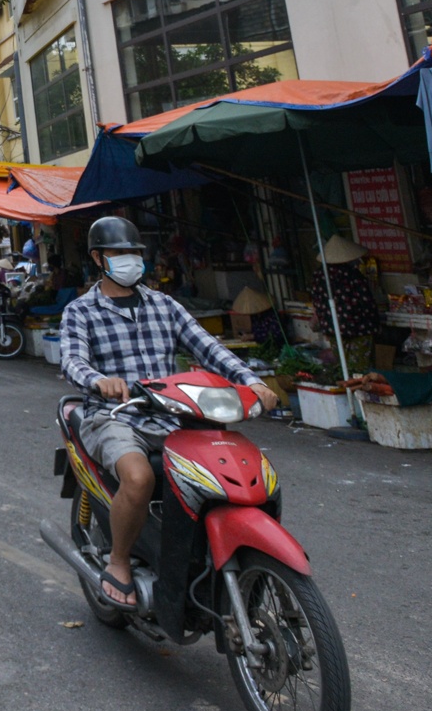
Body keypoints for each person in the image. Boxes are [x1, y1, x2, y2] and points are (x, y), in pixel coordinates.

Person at [58, 216, 279, 610]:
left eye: (134, 252)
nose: (130, 259)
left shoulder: (164, 305)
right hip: (113, 415)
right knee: (139, 477)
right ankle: (119, 562)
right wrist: (98, 380)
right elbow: (72, 360)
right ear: (98, 258)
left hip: (172, 415)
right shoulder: (81, 310)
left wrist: (253, 382)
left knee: (224, 473)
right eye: (119, 252)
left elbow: (209, 349)